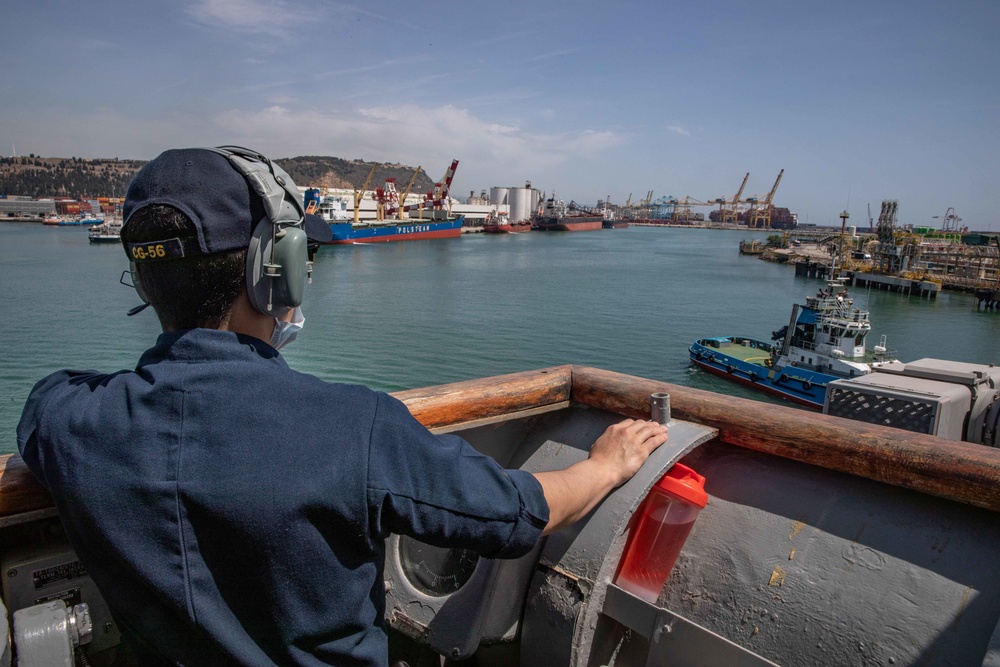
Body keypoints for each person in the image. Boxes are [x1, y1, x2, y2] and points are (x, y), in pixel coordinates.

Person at [17, 146, 668, 666]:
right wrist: (607, 465)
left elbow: (43, 400)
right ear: (280, 270)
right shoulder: (356, 428)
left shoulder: (75, 424)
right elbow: (520, 511)